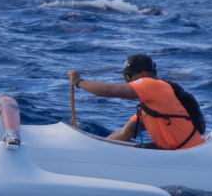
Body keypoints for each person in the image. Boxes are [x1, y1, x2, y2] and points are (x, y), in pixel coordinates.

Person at [67, 53, 204, 150]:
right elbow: (125, 133)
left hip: (186, 156)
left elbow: (111, 90)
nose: (126, 81)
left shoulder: (154, 85)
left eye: (128, 76)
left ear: (143, 75)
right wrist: (96, 150)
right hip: (177, 154)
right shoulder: (151, 105)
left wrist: (78, 82)